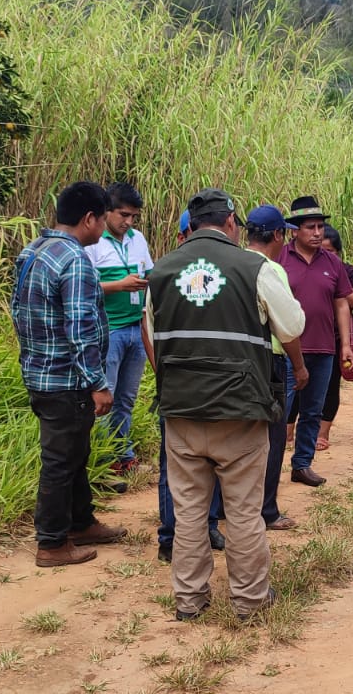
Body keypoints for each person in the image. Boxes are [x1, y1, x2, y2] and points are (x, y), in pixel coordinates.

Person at [147, 188, 305, 622]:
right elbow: (292, 324)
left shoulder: (160, 271)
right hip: (240, 410)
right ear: (232, 223)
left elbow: (153, 336)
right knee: (242, 510)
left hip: (180, 409)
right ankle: (250, 601)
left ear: (190, 225)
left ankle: (189, 600)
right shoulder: (255, 266)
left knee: (190, 511)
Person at [10, 181, 128, 567]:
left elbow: (19, 312)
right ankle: (52, 543)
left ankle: (81, 521)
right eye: (103, 217)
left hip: (39, 374)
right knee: (61, 460)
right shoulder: (75, 261)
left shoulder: (34, 250)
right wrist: (97, 383)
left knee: (74, 452)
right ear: (89, 218)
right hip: (67, 380)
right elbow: (80, 328)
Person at [149, 209, 225, 562]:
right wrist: (162, 373)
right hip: (181, 385)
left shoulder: (220, 272)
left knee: (206, 464)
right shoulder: (167, 273)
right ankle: (170, 536)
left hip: (203, 384)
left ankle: (207, 526)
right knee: (177, 467)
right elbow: (148, 328)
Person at [277, 195, 353, 488]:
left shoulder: (332, 263)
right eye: (310, 227)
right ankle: (269, 466)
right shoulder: (280, 259)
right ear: (294, 230)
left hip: (323, 348)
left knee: (313, 410)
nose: (318, 232)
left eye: (320, 226)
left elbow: (342, 305)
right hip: (284, 348)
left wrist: (345, 344)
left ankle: (302, 464)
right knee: (281, 411)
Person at [243, 204, 309, 532]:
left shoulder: (235, 264)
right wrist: (299, 366)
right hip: (272, 361)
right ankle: (267, 510)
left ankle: (231, 507)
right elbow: (289, 329)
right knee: (273, 437)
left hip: (241, 362)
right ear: (278, 235)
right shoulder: (272, 270)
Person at [84, 183, 152, 492]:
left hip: (136, 329)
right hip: (108, 330)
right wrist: (118, 286)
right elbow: (82, 287)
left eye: (134, 216)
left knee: (126, 398)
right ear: (107, 211)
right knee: (103, 400)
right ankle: (100, 463)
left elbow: (149, 275)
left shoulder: (138, 240)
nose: (129, 222)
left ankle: (122, 456)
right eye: (124, 215)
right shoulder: (94, 243)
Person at [314, 224, 353, 452]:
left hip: (336, 337)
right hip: (308, 335)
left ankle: (323, 433)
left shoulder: (347, 271)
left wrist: (340, 286)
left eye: (330, 252)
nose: (325, 256)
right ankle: (290, 430)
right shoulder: (308, 268)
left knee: (331, 385)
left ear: (338, 252)